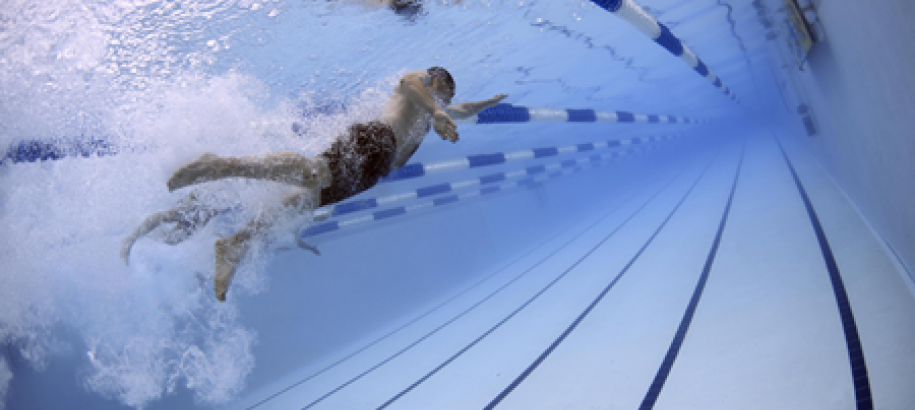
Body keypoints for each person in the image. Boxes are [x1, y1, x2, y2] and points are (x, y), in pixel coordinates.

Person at [158, 67, 507, 301]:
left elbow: (461, 109)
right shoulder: (421, 84)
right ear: (435, 82)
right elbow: (407, 84)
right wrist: (435, 111)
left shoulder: (436, 111)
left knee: (300, 202)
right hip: (375, 139)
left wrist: (487, 102)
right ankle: (218, 165)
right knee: (312, 173)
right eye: (442, 94)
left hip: (374, 170)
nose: (444, 103)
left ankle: (236, 243)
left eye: (445, 100)